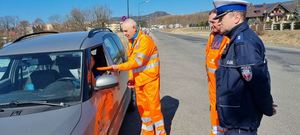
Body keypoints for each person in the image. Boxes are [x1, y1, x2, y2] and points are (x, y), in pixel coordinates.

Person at [212, 0, 277, 134]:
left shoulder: (244, 43)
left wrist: (267, 108)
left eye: (221, 17)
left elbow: (257, 81)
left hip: (241, 123)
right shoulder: (236, 39)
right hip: (236, 121)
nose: (218, 22)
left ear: (236, 17)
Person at [98, 18, 166, 135]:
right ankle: (148, 132)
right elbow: (132, 63)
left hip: (150, 81)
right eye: (123, 31)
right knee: (143, 110)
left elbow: (137, 62)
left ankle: (161, 132)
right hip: (139, 81)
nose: (124, 34)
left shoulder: (145, 41)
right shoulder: (132, 42)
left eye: (126, 31)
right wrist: (131, 78)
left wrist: (118, 67)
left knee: (154, 109)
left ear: (134, 28)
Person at [205, 9, 230, 135]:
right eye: (209, 22)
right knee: (214, 111)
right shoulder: (212, 36)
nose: (211, 25)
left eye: (213, 21)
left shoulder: (228, 38)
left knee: (222, 113)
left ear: (221, 20)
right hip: (213, 85)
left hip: (222, 86)